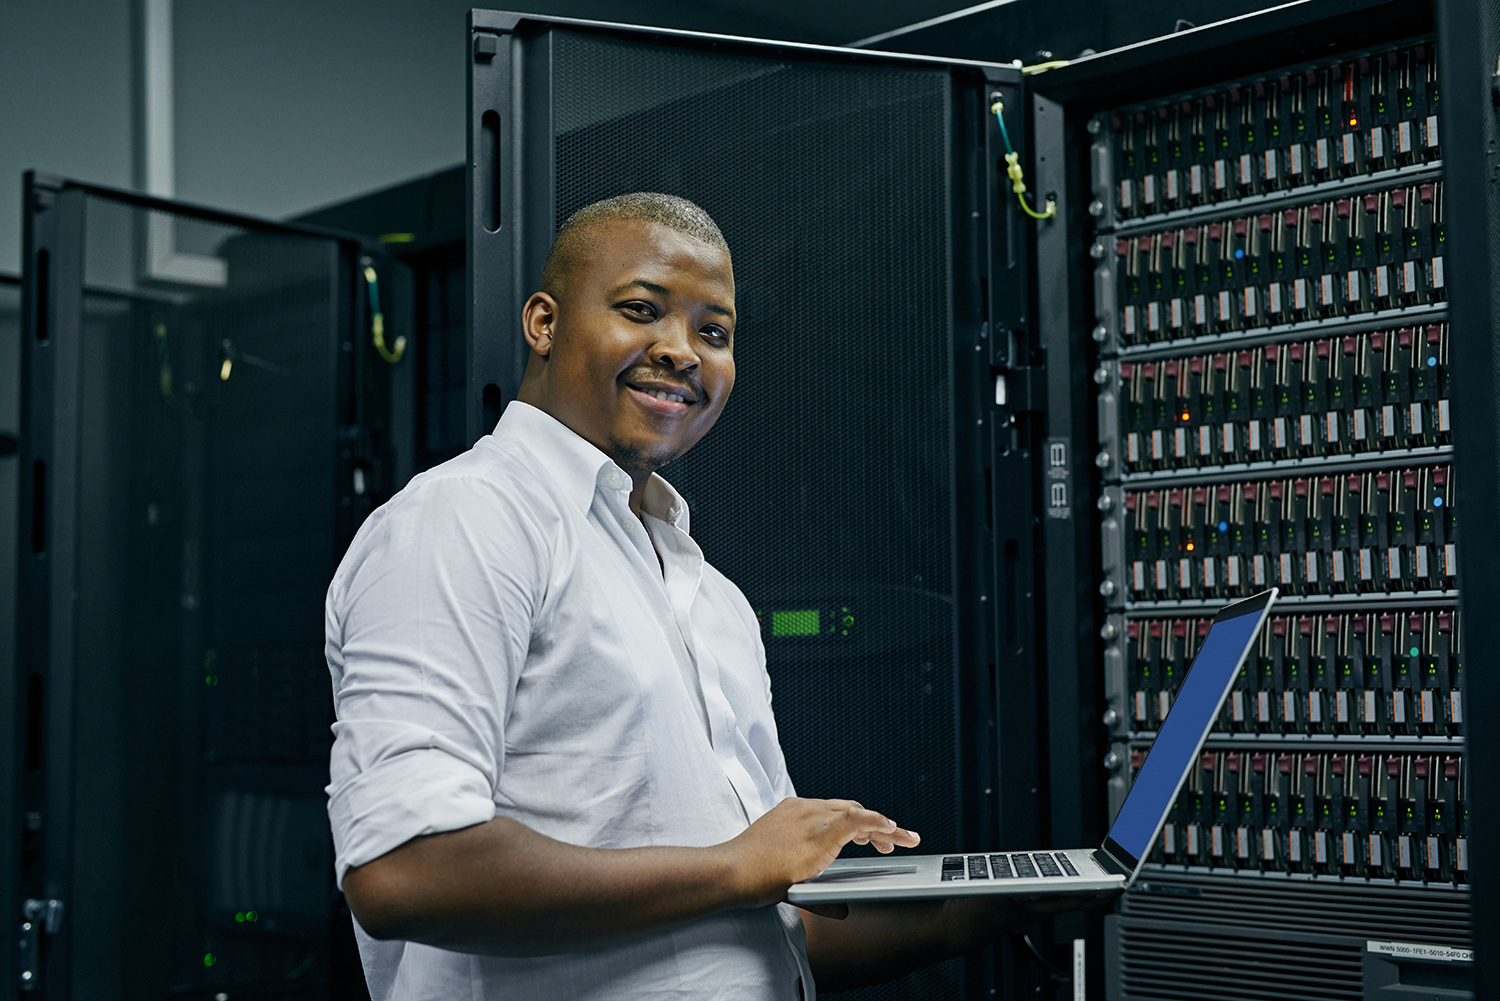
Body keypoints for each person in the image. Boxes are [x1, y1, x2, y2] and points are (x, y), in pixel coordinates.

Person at [326, 193, 1096, 1000]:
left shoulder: (708, 593)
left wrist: (1016, 896)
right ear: (544, 322)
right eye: (641, 310)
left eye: (714, 331)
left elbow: (766, 936)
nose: (681, 351)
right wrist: (740, 866)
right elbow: (403, 870)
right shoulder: (464, 522)